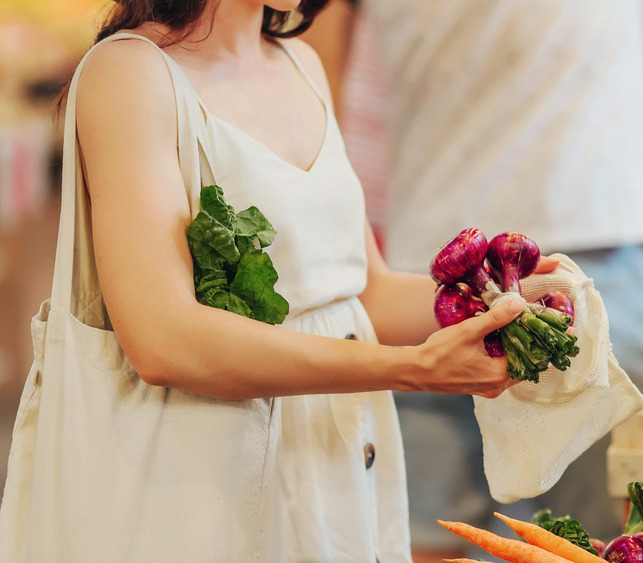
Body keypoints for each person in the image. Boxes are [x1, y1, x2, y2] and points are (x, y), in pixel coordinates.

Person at [0, 1, 559, 561]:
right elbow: (163, 341)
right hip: (205, 491)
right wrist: (412, 371)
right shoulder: (128, 75)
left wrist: (507, 297)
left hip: (336, 469)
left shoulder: (301, 64)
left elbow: (362, 294)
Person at [305, 1, 643, 559]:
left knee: (592, 539)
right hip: (440, 276)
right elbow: (313, 70)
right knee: (445, 537)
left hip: (577, 242)